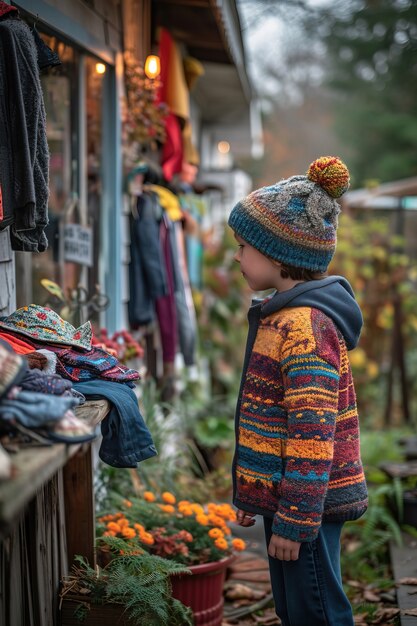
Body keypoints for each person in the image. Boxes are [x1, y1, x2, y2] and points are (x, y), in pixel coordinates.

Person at [228, 156, 368, 626]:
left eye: (243, 246)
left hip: (305, 508)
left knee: (317, 612)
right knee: (294, 611)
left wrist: (293, 519)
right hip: (289, 500)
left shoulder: (306, 326)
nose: (237, 256)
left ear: (276, 254)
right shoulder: (281, 316)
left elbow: (312, 436)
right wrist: (254, 493)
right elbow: (272, 419)